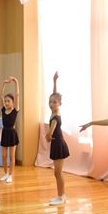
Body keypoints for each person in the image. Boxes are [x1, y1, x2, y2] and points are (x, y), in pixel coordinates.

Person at [46, 71, 69, 205]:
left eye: (54, 102)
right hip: (57, 144)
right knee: (57, 173)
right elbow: (55, 95)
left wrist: (48, 135)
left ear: (59, 103)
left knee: (58, 173)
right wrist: (54, 82)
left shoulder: (55, 116)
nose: (51, 104)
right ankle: (61, 195)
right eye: (50, 102)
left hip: (58, 144)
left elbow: (49, 135)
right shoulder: (54, 111)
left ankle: (62, 197)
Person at [0, 76, 20, 183]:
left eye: (8, 101)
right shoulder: (3, 110)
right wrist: (4, 83)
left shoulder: (15, 110)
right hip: (5, 133)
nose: (6, 103)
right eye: (5, 101)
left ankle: (11, 175)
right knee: (3, 156)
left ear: (13, 102)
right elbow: (0, 95)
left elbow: (17, 94)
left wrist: (15, 81)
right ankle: (6, 173)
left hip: (12, 134)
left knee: (12, 156)